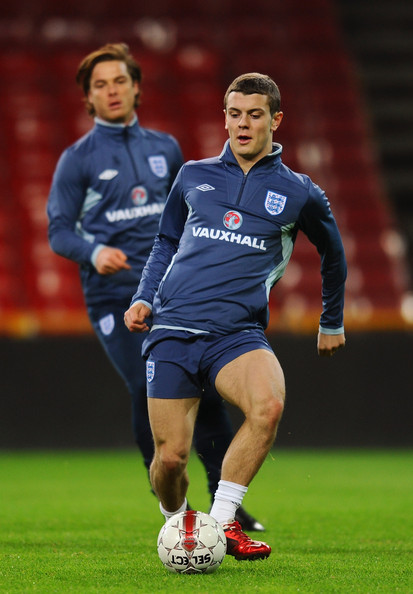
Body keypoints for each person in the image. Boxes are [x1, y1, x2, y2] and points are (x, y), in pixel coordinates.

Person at [124, 72, 347, 561]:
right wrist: (144, 297)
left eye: (254, 114)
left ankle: (221, 524)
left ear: (275, 120)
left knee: (267, 406)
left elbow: (333, 254)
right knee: (171, 458)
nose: (242, 124)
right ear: (224, 117)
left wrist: (332, 319)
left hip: (236, 334)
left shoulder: (300, 192)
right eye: (234, 114)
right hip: (174, 329)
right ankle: (179, 523)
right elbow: (165, 241)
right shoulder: (193, 174)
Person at [47, 44, 264, 531]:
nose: (112, 91)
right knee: (147, 385)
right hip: (112, 295)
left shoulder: (165, 148)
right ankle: (171, 502)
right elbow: (59, 231)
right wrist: (94, 252)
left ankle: (227, 503)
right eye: (100, 85)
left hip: (172, 292)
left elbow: (189, 215)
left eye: (119, 81)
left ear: (136, 86)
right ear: (88, 98)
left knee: (204, 393)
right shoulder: (76, 160)